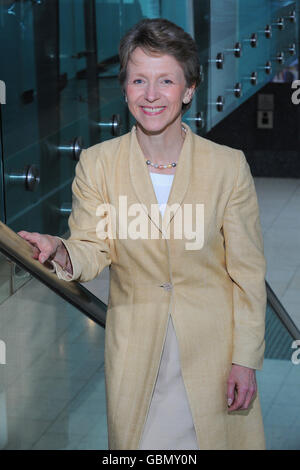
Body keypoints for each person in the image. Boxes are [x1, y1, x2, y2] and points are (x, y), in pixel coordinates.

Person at [18, 18, 267, 450]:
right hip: (138, 353)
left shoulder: (227, 166)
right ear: (126, 88)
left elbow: (248, 273)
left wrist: (246, 358)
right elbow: (93, 246)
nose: (151, 95)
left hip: (213, 356)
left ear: (189, 89)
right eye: (138, 80)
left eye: (166, 81)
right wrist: (60, 249)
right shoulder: (98, 164)